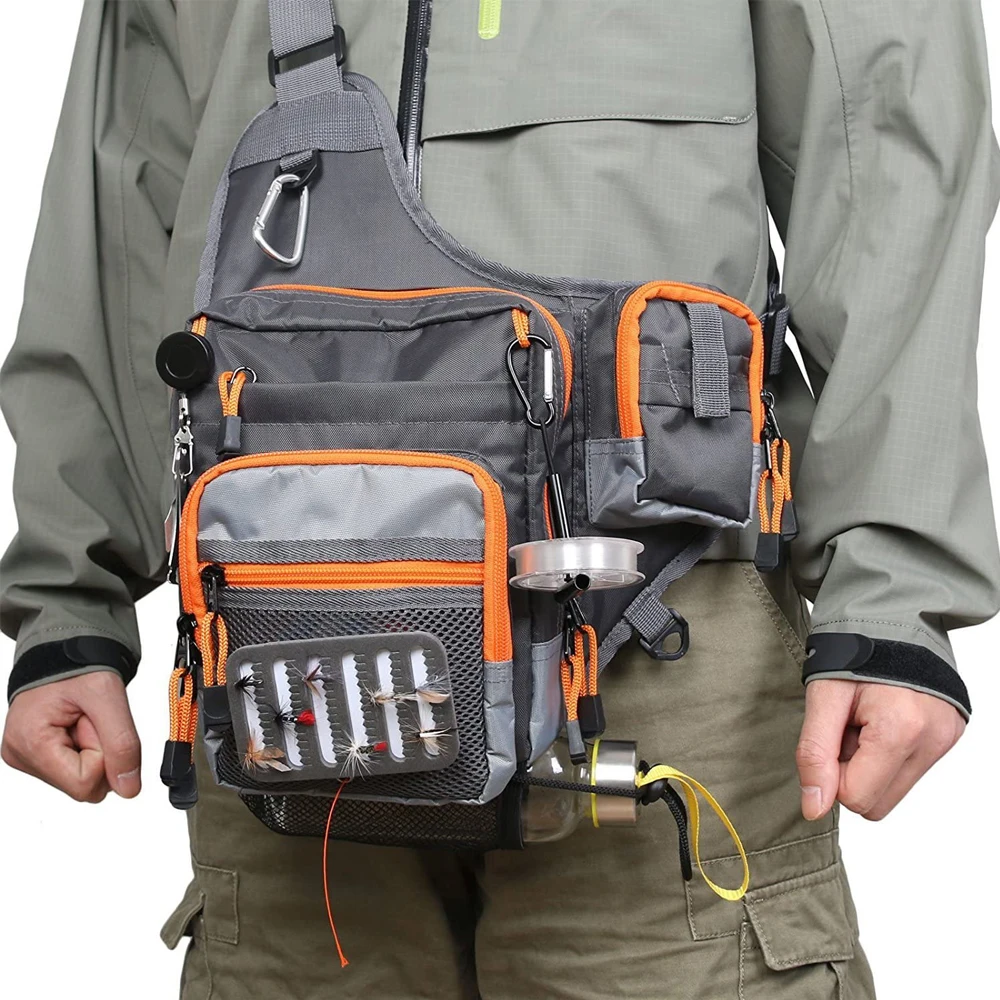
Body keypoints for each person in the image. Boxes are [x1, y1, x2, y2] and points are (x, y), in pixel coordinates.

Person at [2, 2, 997, 997]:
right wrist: (68, 597)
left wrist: (892, 591)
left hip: (660, 620)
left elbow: (882, 142)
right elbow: (126, 189)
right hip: (273, 648)